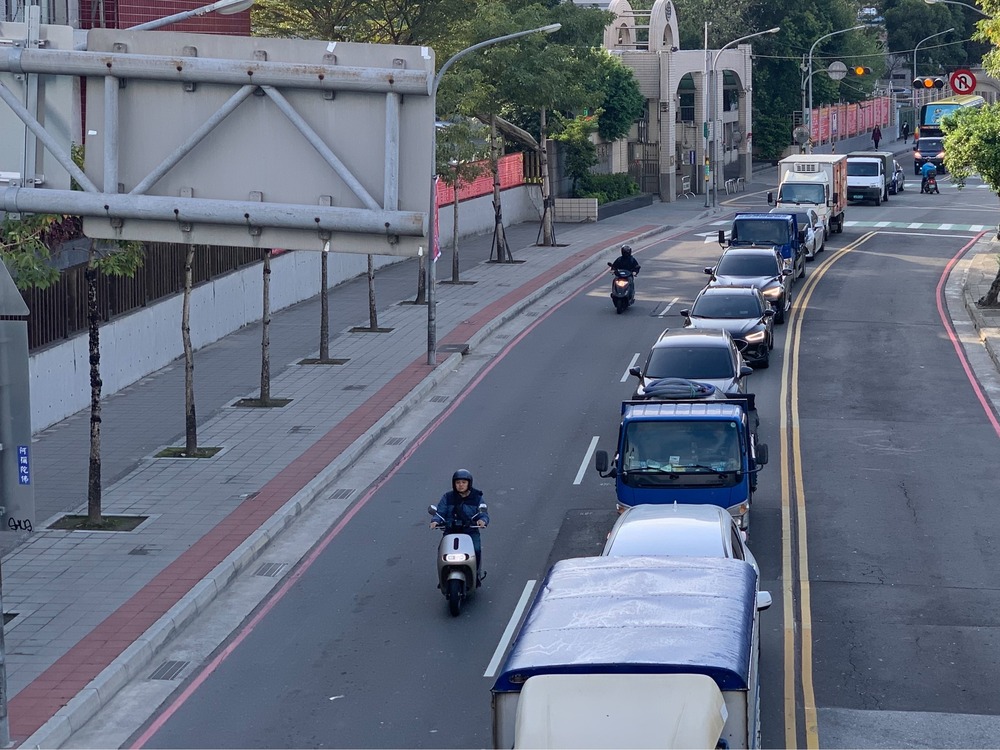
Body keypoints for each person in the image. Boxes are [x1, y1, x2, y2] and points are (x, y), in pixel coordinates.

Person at [431, 469, 489, 584]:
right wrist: (435, 521)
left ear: (469, 483)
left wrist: (482, 521)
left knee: (476, 550)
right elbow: (440, 512)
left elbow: (483, 513)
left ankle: (476, 575)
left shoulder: (477, 497)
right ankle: (443, 577)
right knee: (441, 552)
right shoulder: (448, 497)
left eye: (463, 482)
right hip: (451, 531)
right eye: (458, 482)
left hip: (470, 532)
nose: (461, 485)